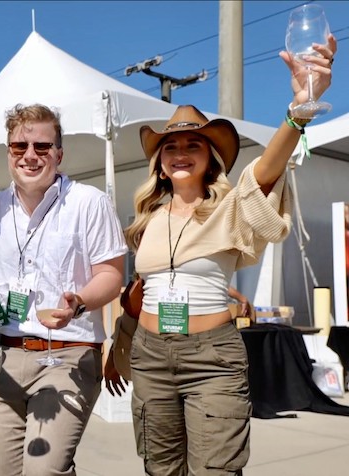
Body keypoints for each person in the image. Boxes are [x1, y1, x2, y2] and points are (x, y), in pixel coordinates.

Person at [111, 36, 336, 476]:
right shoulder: (146, 218)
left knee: (216, 470)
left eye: (192, 146)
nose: (179, 153)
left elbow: (267, 171)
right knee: (160, 469)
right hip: (150, 355)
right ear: (158, 163)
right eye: (170, 148)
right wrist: (119, 342)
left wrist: (301, 107)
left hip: (211, 359)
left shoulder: (230, 208)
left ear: (210, 160)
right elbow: (144, 289)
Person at [0, 103, 128, 475]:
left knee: (43, 470)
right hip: (4, 357)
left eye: (42, 147)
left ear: (58, 154)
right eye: (19, 147)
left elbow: (112, 274)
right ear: (9, 152)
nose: (30, 155)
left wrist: (79, 302)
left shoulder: (88, 202)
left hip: (69, 353)